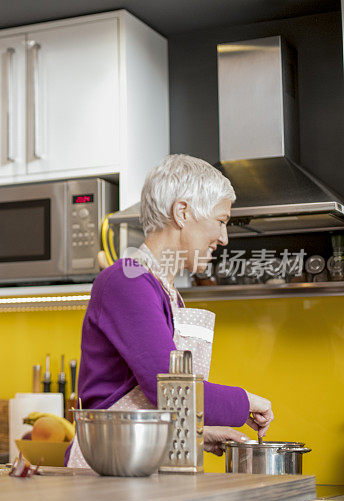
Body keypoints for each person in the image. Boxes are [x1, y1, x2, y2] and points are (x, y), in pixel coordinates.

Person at [66, 154, 274, 467]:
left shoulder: (168, 294)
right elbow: (166, 386)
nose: (224, 237)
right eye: (221, 221)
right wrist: (245, 402)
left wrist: (199, 433)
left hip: (134, 467)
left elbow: (153, 407)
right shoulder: (127, 280)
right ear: (182, 212)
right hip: (105, 475)